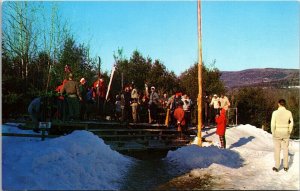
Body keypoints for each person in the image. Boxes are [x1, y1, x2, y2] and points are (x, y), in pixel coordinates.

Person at [271, 99, 294, 172]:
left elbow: (272, 124)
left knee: (277, 150)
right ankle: (286, 166)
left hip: (277, 132)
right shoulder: (289, 112)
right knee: (285, 149)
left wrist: (273, 132)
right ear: (285, 104)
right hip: (285, 132)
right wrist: (289, 130)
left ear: (279, 104)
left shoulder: (275, 113)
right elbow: (291, 123)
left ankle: (277, 166)